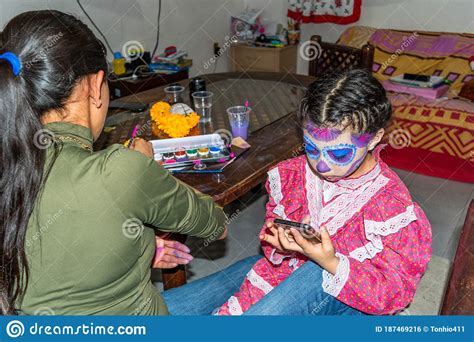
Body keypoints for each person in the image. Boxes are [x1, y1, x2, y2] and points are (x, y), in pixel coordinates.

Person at [0, 10, 228, 315]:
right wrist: (146, 169)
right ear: (94, 86)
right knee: (278, 273)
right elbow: (217, 226)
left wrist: (137, 250)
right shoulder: (122, 171)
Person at [214, 69, 432, 315]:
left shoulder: (391, 207)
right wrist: (284, 245)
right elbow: (272, 229)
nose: (321, 165)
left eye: (339, 153)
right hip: (284, 274)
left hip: (349, 301)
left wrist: (331, 261)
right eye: (311, 148)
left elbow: (395, 292)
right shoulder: (291, 175)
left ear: (374, 139)